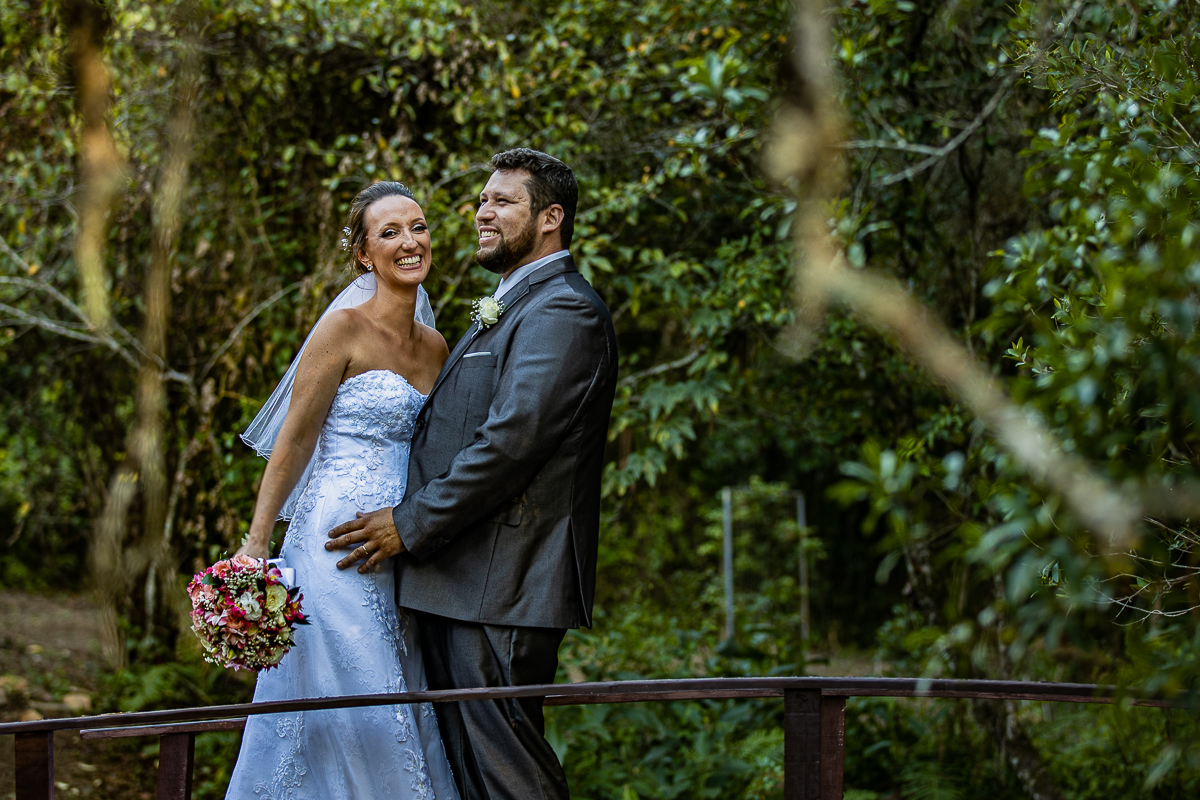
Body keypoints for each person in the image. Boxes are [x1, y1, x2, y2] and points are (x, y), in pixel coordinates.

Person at [327, 149, 619, 800]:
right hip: (464, 581)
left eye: (503, 202)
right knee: (471, 778)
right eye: (482, 201)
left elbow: (511, 443)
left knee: (508, 777)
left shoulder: (563, 310)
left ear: (551, 218)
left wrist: (410, 523)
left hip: (502, 584)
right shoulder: (514, 303)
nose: (483, 212)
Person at [225, 182, 460, 800]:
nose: (411, 242)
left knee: (394, 681)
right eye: (390, 233)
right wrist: (256, 544)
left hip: (400, 543)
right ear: (363, 254)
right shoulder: (341, 330)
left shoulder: (436, 347)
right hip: (334, 541)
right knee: (355, 696)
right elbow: (295, 442)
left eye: (418, 227)